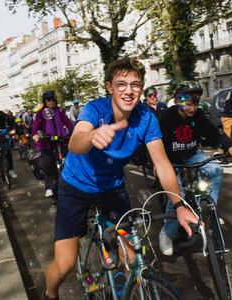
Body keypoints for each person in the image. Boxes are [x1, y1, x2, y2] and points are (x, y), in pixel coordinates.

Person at [42, 57, 198, 300]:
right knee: (65, 264)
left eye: (135, 85)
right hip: (75, 187)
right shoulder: (95, 109)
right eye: (121, 84)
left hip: (112, 190)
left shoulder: (146, 117)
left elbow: (162, 163)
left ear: (142, 88)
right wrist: (92, 135)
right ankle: (49, 294)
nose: (128, 91)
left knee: (133, 257)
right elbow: (75, 142)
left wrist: (179, 205)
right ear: (109, 87)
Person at [157, 80, 232, 256]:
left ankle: (207, 213)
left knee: (216, 170)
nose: (192, 108)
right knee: (176, 196)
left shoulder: (199, 116)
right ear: (178, 101)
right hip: (170, 159)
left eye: (195, 103)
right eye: (187, 103)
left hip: (191, 154)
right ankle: (167, 233)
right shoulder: (166, 117)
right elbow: (156, 144)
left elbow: (213, 133)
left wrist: (229, 144)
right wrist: (157, 164)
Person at [32, 90, 74, 198]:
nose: (51, 101)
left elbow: (67, 122)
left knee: (70, 159)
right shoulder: (40, 112)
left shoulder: (59, 110)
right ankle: (49, 187)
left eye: (53, 99)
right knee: (48, 162)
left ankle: (73, 184)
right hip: (46, 142)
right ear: (44, 101)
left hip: (60, 139)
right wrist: (35, 134)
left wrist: (76, 131)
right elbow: (36, 126)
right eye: (48, 99)